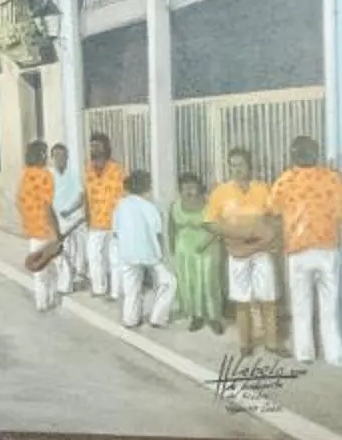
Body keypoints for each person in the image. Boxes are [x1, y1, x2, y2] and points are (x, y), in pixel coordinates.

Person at [271, 134, 342, 365]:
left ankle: (305, 352)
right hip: (327, 249)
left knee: (300, 305)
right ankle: (335, 355)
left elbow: (273, 209)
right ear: (316, 154)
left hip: (297, 251)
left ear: (292, 156)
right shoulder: (332, 178)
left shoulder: (285, 180)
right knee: (330, 306)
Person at [204, 147, 283, 358]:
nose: (237, 169)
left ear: (249, 166)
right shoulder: (220, 193)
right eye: (232, 166)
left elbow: (275, 216)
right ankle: (245, 344)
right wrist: (232, 234)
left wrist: (270, 236)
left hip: (261, 251)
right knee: (242, 301)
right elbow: (210, 223)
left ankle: (272, 343)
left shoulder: (263, 189)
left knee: (268, 299)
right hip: (237, 253)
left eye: (240, 165)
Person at [109, 169, 177, 330]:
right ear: (146, 187)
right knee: (169, 282)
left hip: (127, 253)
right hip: (149, 252)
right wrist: (163, 254)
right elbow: (158, 233)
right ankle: (158, 317)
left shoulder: (120, 205)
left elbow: (115, 232)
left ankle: (130, 319)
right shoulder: (150, 206)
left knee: (131, 289)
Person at [168, 170, 226, 335]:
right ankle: (196, 316)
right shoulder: (175, 205)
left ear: (199, 187)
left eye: (192, 187)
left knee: (209, 284)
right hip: (185, 254)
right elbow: (171, 228)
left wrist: (205, 243)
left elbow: (218, 228)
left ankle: (214, 318)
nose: (189, 191)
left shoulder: (209, 204)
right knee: (190, 284)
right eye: (185, 188)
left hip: (208, 250)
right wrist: (172, 249)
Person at [16, 139, 64, 311]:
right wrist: (57, 231)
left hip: (33, 231)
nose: (46, 157)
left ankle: (41, 303)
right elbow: (47, 206)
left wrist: (28, 220)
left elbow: (19, 201)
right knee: (54, 267)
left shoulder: (25, 175)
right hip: (47, 230)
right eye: (44, 153)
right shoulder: (46, 175)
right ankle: (51, 298)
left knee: (39, 268)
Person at [79, 131, 125, 299]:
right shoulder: (88, 168)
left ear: (106, 147)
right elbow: (86, 193)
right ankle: (98, 288)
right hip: (95, 222)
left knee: (115, 258)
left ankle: (116, 292)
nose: (94, 149)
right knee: (93, 256)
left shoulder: (117, 169)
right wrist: (86, 214)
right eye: (92, 146)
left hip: (114, 221)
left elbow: (124, 196)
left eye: (98, 145)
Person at [47, 140, 89, 294]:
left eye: (63, 156)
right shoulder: (48, 176)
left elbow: (82, 196)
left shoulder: (73, 174)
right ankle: (65, 284)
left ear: (67, 157)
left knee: (79, 251)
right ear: (52, 158)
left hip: (75, 219)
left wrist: (70, 210)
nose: (60, 159)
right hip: (58, 220)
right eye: (57, 156)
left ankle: (77, 276)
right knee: (63, 253)